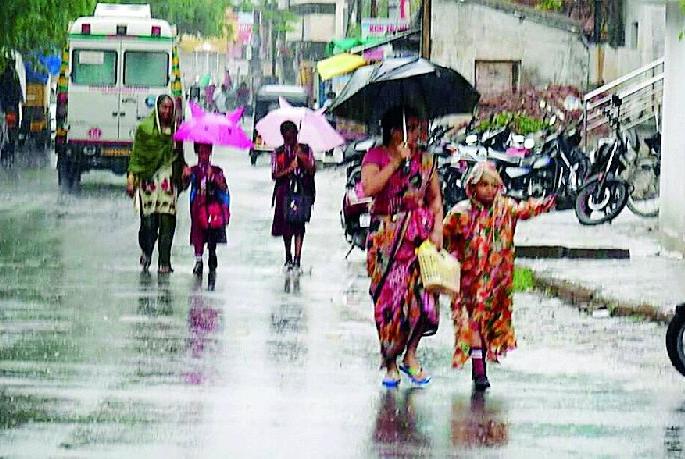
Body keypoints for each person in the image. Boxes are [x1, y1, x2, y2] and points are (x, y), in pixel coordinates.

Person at [442, 162, 555, 391]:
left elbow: (524, 210)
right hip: (467, 282)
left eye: (494, 186)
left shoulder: (505, 208)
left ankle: (481, 363)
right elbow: (443, 236)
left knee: (488, 324)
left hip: (496, 282)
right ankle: (479, 371)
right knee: (472, 324)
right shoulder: (460, 213)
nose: (489, 190)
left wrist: (544, 204)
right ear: (472, 186)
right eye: (484, 185)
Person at [361, 106, 443, 388]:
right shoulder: (376, 157)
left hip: (418, 241)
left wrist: (437, 229)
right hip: (386, 241)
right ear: (396, 131)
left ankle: (411, 353)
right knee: (389, 304)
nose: (420, 133)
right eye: (413, 127)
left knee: (423, 301)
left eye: (420, 127)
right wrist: (396, 162)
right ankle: (390, 362)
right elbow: (369, 188)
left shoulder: (426, 161)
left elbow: (434, 199)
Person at [126, 95, 187, 274]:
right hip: (149, 183)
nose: (167, 111)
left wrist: (184, 169)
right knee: (149, 225)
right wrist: (131, 178)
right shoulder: (145, 129)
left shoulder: (177, 131)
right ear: (157, 109)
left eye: (170, 108)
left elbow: (179, 156)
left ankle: (164, 262)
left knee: (168, 222)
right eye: (164, 107)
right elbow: (137, 157)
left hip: (168, 184)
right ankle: (146, 251)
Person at [271, 120, 316, 273]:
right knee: (286, 226)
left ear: (296, 134)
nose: (289, 140)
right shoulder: (278, 152)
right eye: (286, 137)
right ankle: (288, 256)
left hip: (302, 191)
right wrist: (289, 169)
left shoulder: (305, 149)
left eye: (291, 137)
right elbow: (275, 175)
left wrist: (302, 158)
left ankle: (298, 258)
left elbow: (312, 170)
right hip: (284, 193)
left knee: (299, 225)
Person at [183, 143, 230, 285]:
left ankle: (212, 254)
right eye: (201, 152)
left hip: (213, 205)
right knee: (198, 232)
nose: (204, 155)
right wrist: (185, 176)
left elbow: (224, 187)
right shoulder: (193, 170)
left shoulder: (217, 170)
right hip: (197, 205)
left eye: (207, 151)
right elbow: (184, 185)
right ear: (197, 152)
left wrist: (213, 178)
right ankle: (198, 259)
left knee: (212, 230)